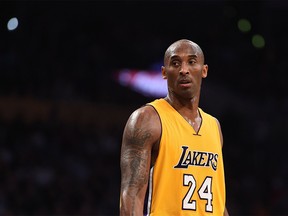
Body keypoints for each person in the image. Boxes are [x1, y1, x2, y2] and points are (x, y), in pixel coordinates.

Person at [120, 39, 229, 216]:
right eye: (175, 63)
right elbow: (131, 197)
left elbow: (218, 201)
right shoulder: (146, 119)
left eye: (192, 62)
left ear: (204, 71)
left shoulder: (214, 126)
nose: (183, 70)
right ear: (164, 72)